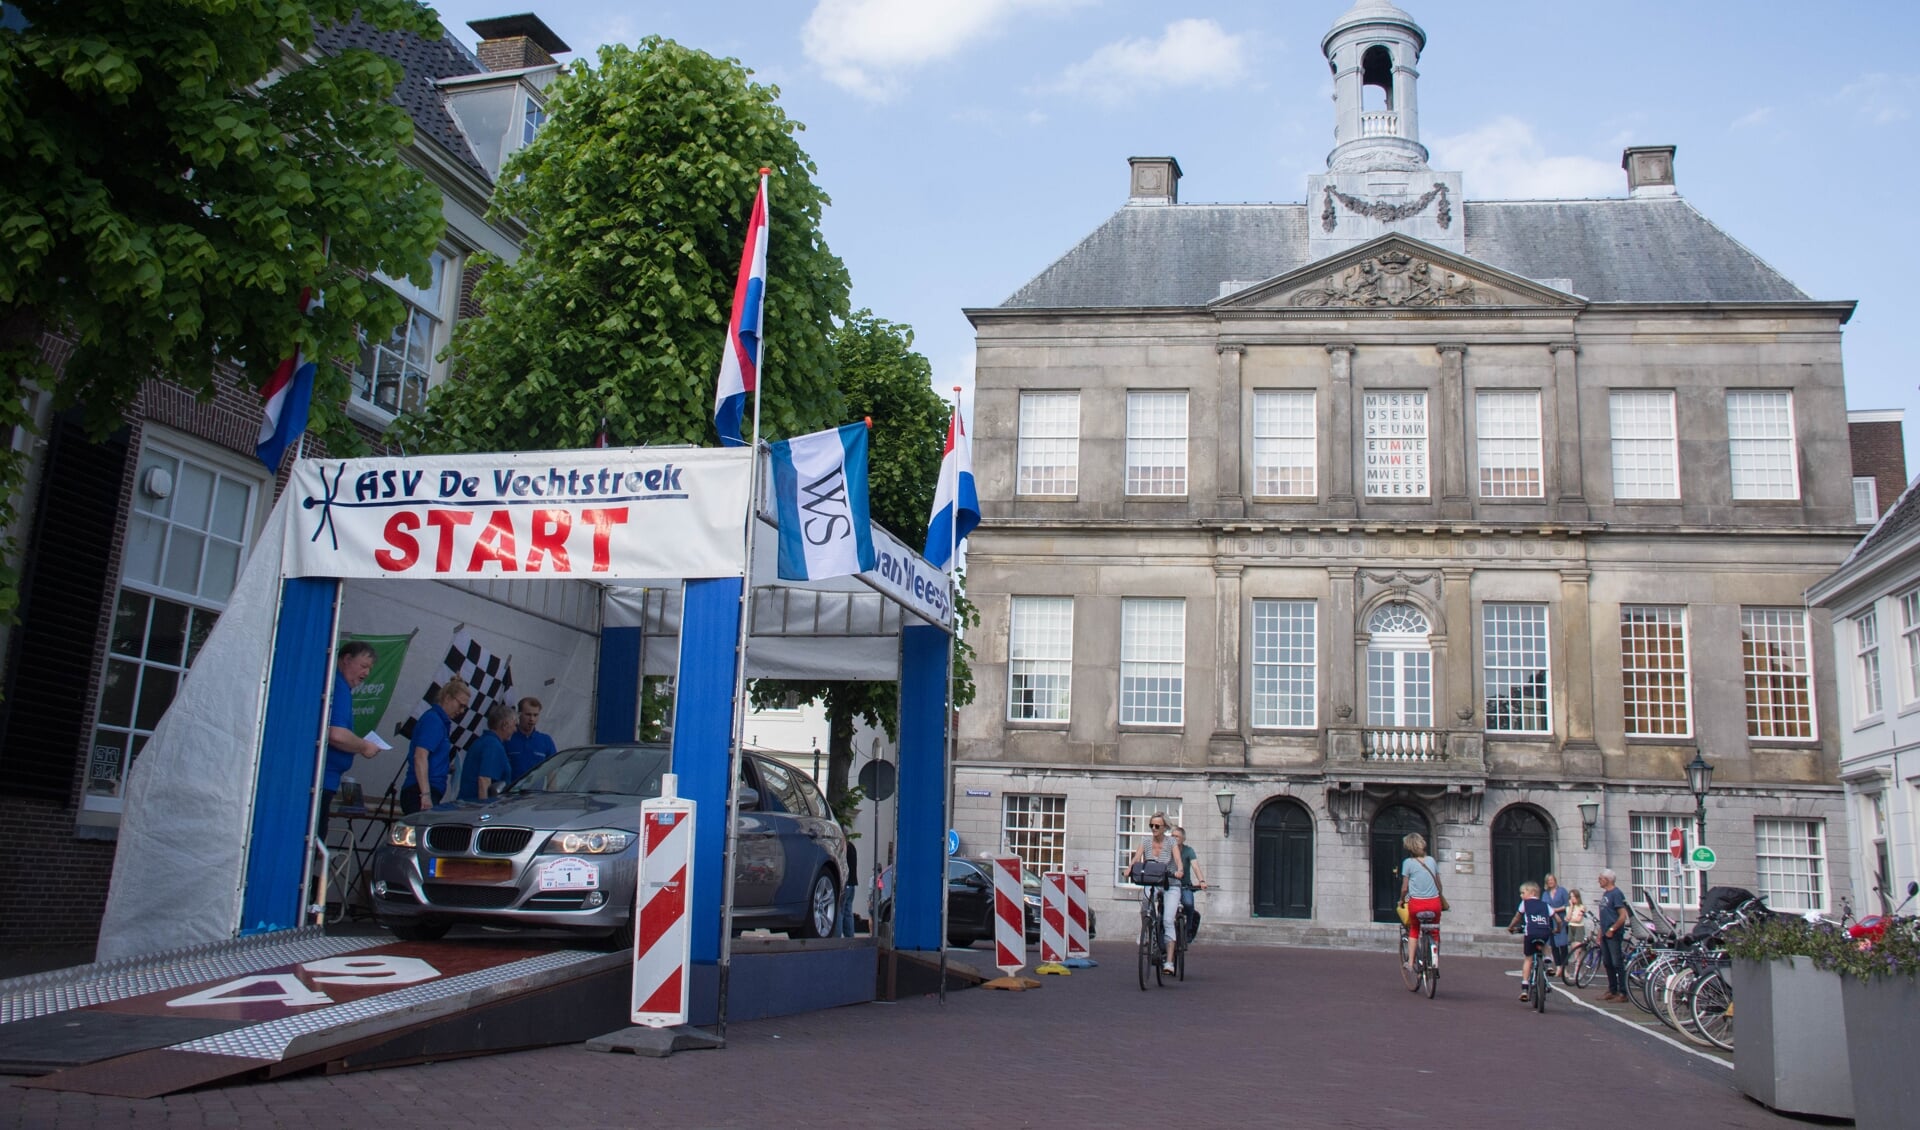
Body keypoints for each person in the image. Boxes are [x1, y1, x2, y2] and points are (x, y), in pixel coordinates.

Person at [319, 641, 382, 841]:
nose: (366, 673)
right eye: (363, 666)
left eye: (370, 669)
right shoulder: (338, 686)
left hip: (326, 779)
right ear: (346, 659)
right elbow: (336, 734)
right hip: (321, 779)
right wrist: (364, 746)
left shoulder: (339, 686)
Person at [403, 678, 471, 815]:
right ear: (447, 698)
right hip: (420, 791)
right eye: (460, 705)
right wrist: (425, 794)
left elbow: (429, 756)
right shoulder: (433, 720)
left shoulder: (440, 722)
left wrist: (445, 767)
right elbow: (420, 756)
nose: (462, 711)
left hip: (427, 789)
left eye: (465, 707)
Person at [1127, 812, 1184, 974]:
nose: (1154, 828)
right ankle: (1146, 931)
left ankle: (1170, 963)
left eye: (1157, 826)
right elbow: (1137, 857)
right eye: (1151, 825)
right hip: (1152, 881)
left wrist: (1180, 870)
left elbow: (1178, 860)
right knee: (1145, 905)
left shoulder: (1171, 841)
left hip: (1170, 883)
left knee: (1167, 920)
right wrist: (1129, 868)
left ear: (1164, 827)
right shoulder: (1145, 841)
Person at [1398, 832, 1444, 973]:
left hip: (1417, 904)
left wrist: (1401, 900)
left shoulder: (1408, 863)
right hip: (1434, 903)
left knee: (1414, 929)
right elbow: (1439, 885)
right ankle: (1434, 960)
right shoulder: (1431, 861)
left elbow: (1405, 888)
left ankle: (1411, 963)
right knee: (1434, 931)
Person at [1506, 880, 1556, 1002]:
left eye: (1523, 893)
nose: (1521, 895)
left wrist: (1511, 927)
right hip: (1544, 932)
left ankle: (1524, 988)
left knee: (1528, 958)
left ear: (1532, 892)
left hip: (1531, 934)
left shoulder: (1525, 904)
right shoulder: (1546, 905)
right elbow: (1558, 919)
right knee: (1545, 943)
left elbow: (1517, 917)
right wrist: (1557, 929)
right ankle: (1548, 963)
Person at [457, 702, 514, 802]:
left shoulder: (482, 742)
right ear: (505, 725)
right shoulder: (493, 745)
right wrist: (484, 810)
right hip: (475, 808)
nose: (515, 730)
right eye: (514, 725)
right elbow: (484, 780)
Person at [1595, 868, 1631, 1002]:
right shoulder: (1606, 894)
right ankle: (1612, 989)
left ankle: (1623, 992)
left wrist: (1612, 929)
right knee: (1607, 962)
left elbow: (1622, 915)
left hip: (1613, 934)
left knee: (1617, 963)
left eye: (1600, 878)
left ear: (1607, 880)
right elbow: (1604, 915)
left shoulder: (1616, 894)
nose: (1599, 881)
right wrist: (1600, 932)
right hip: (1605, 933)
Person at [505, 696, 558, 781]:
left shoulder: (545, 741)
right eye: (528, 714)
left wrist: (551, 790)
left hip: (535, 792)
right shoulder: (507, 738)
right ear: (519, 715)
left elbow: (552, 771)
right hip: (510, 792)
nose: (532, 719)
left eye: (535, 715)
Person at [1171, 826, 1209, 937]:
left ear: (1183, 838)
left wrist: (1201, 881)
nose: (1174, 838)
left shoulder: (1188, 851)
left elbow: (1195, 866)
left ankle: (1188, 930)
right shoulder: (1167, 850)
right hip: (1169, 885)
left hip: (1184, 885)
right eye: (1172, 836)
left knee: (1188, 903)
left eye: (1177, 836)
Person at [1543, 872, 1571, 968]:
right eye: (1548, 880)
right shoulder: (1545, 893)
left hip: (1561, 920)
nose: (1550, 882)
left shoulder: (1562, 891)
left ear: (1555, 880)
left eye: (1552, 880)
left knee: (1563, 945)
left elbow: (1568, 904)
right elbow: (1543, 905)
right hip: (1550, 920)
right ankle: (1558, 966)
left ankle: (1565, 968)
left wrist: (1556, 909)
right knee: (1553, 945)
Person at [838, 837, 859, 938]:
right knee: (848, 911)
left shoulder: (844, 847)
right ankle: (850, 936)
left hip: (845, 883)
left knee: (840, 911)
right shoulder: (852, 847)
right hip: (852, 884)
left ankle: (836, 937)